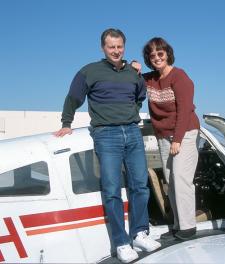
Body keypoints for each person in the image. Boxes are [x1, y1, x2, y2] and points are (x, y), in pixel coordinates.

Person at [54, 28, 160, 263]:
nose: (115, 50)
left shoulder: (133, 74)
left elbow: (139, 96)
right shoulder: (89, 71)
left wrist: (129, 111)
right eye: (111, 46)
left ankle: (140, 233)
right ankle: (122, 243)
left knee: (140, 186)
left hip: (132, 131)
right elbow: (73, 97)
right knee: (112, 191)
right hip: (106, 134)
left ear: (124, 46)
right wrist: (66, 123)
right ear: (103, 47)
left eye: (119, 46)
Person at [134, 37, 200, 240]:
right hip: (163, 136)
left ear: (167, 54)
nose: (156, 57)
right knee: (171, 180)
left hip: (185, 133)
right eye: (152, 55)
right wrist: (132, 66)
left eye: (160, 53)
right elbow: (133, 77)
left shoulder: (180, 77)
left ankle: (189, 227)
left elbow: (185, 110)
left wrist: (178, 140)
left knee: (181, 180)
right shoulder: (150, 79)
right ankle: (178, 224)